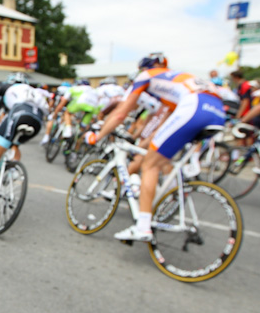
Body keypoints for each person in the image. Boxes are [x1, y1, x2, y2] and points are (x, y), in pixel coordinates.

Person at [92, 53, 227, 241]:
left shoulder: (147, 76)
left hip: (194, 106)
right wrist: (145, 144)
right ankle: (173, 194)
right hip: (217, 111)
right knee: (161, 156)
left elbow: (121, 113)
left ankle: (143, 226)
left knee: (149, 164)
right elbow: (162, 126)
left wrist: (98, 136)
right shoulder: (173, 80)